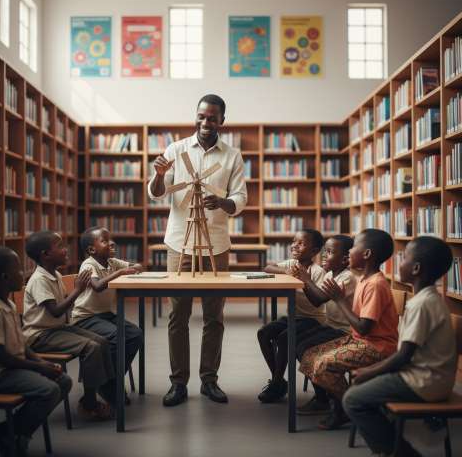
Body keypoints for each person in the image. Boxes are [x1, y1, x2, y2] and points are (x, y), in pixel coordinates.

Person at [148, 94, 247, 406]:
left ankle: (209, 380)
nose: (206, 123)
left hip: (215, 245)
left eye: (213, 118)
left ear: (222, 121)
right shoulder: (176, 150)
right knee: (177, 315)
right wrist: (159, 174)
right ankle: (178, 383)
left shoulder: (232, 156)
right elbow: (156, 194)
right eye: (202, 116)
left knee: (214, 316)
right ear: (196, 116)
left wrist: (222, 202)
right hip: (180, 242)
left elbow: (240, 199)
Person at [343, 236, 457, 457]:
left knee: (352, 399)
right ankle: (394, 444)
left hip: (423, 381)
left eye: (403, 259)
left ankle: (400, 452)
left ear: (415, 269)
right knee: (364, 392)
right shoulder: (428, 299)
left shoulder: (421, 304)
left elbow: (403, 356)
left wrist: (369, 371)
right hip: (429, 376)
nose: (398, 263)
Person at [0, 246, 72, 456]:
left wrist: (41, 362)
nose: (22, 274)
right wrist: (40, 368)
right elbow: (1, 356)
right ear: (5, 277)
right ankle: (11, 433)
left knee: (63, 381)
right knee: (49, 390)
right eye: (17, 270)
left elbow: (21, 344)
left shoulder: (6, 302)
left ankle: (12, 430)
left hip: (10, 367)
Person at [300, 229, 398, 429]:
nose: (348, 253)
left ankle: (350, 406)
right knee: (309, 356)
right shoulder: (363, 279)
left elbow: (363, 328)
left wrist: (339, 299)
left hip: (376, 346)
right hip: (360, 340)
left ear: (367, 254)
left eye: (353, 248)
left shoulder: (375, 285)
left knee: (323, 366)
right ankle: (343, 405)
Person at [23, 230, 115, 420]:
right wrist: (78, 290)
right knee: (91, 347)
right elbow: (55, 311)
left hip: (56, 329)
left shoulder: (54, 274)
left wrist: (75, 293)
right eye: (60, 247)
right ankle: (89, 403)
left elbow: (62, 307)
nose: (66, 250)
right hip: (40, 335)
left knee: (102, 341)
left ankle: (104, 390)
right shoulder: (39, 280)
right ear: (45, 255)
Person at [72, 226, 143, 405]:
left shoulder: (111, 262)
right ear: (91, 250)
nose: (111, 242)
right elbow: (96, 286)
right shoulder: (89, 264)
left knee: (135, 334)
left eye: (110, 239)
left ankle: (110, 380)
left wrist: (134, 268)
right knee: (116, 336)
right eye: (104, 241)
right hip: (85, 318)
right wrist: (119, 273)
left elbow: (137, 267)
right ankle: (110, 385)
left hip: (104, 315)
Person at [257, 229, 326, 403]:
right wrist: (286, 272)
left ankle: (276, 384)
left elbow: (316, 301)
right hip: (293, 317)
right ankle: (279, 380)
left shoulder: (317, 271)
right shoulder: (291, 264)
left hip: (312, 319)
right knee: (264, 333)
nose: (295, 245)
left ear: (314, 251)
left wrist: (304, 280)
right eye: (294, 241)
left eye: (301, 243)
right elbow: (267, 267)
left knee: (283, 339)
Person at [291, 235, 356, 415]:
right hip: (331, 326)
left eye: (330, 252)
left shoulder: (347, 277)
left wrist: (306, 279)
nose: (325, 256)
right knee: (296, 340)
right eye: (325, 251)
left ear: (345, 259)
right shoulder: (330, 273)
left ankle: (324, 398)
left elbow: (320, 297)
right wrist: (305, 281)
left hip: (345, 331)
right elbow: (315, 301)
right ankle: (323, 393)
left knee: (305, 347)